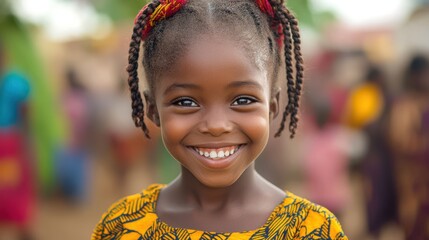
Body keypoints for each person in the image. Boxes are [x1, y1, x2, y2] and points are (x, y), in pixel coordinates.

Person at [92, 0, 348, 239]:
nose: (216, 125)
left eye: (243, 100)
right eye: (185, 102)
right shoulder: (122, 227)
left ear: (272, 106)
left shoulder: (312, 230)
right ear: (152, 110)